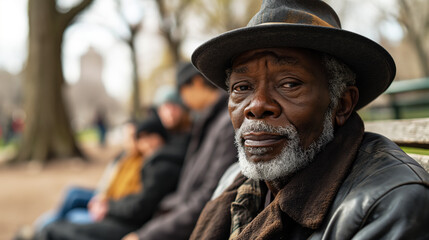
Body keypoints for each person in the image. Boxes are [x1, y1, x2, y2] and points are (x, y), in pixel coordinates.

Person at [189, 0, 429, 239]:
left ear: (342, 104)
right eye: (242, 87)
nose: (257, 106)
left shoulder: (389, 203)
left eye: (289, 84)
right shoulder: (235, 180)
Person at [122, 62, 237, 240]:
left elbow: (209, 197)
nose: (183, 101)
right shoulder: (211, 121)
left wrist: (148, 234)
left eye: (182, 92)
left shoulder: (226, 123)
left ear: (197, 83)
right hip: (181, 222)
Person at [37, 115, 189, 240]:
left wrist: (108, 206)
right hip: (123, 216)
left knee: (55, 228)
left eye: (150, 136)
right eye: (141, 138)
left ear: (161, 137)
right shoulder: (151, 162)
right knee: (60, 220)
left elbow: (139, 205)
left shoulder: (161, 166)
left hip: (132, 225)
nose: (146, 143)